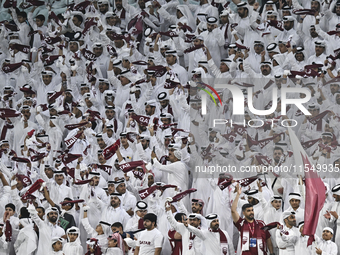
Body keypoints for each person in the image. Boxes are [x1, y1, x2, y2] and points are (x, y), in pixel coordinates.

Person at [231, 184, 274, 255]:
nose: (248, 200)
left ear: (255, 198)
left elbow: (268, 238)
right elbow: (234, 207)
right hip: (246, 243)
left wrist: (271, 252)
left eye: (250, 198)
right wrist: (237, 194)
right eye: (248, 211)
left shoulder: (262, 214)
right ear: (244, 213)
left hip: (260, 245)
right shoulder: (242, 223)